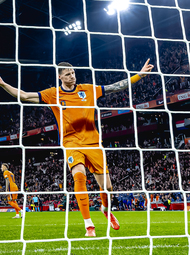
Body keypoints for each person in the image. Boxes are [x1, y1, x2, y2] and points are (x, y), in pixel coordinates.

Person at [0, 59, 154, 236]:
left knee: (108, 188)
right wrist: (3, 84)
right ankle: (89, 225)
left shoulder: (87, 89)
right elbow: (25, 96)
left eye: (73, 73)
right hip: (71, 142)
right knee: (78, 175)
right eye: (67, 74)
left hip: (94, 143)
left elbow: (115, 87)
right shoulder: (53, 94)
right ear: (60, 77)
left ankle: (105, 209)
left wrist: (138, 76)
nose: (72, 76)